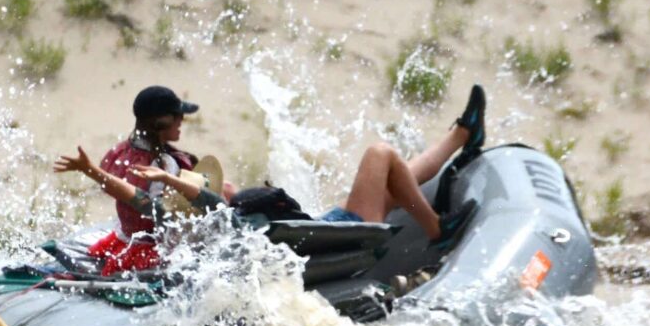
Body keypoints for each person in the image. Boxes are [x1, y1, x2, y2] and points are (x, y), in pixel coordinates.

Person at [54, 82, 488, 257]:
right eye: (178, 118)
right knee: (380, 156)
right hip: (282, 238)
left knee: (393, 180)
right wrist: (100, 175)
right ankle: (437, 231)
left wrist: (98, 171)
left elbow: (159, 205)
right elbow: (155, 208)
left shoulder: (125, 153)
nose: (183, 123)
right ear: (161, 124)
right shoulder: (158, 171)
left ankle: (461, 137)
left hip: (260, 229)